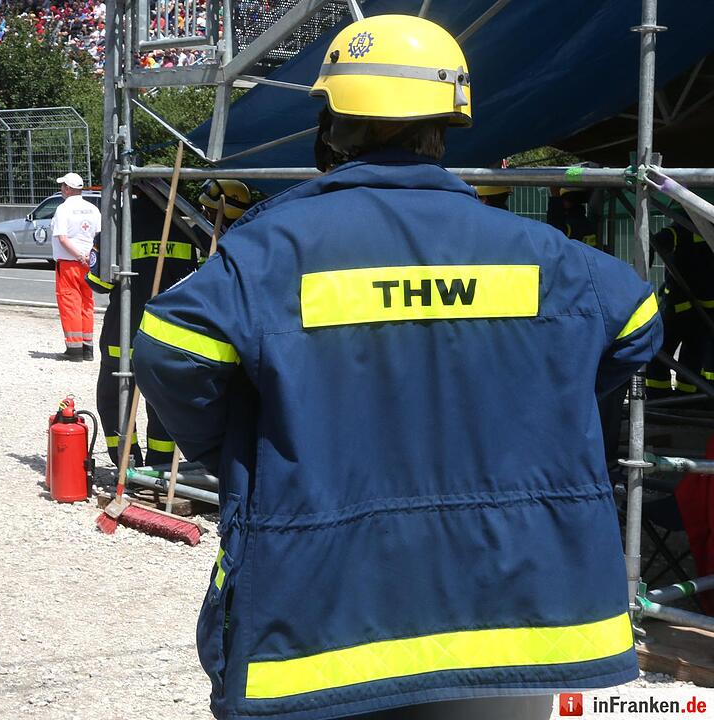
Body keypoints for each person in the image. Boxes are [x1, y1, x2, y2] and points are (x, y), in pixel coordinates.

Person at [132, 15, 661, 720]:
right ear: (445, 126)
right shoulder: (549, 257)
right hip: (517, 633)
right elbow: (636, 324)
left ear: (333, 127)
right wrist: (542, 403)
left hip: (323, 640)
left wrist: (239, 448)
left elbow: (169, 350)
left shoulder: (268, 254)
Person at [86, 192, 203, 466]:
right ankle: (159, 467)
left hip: (124, 333)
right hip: (169, 334)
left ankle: (128, 464)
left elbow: (99, 283)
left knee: (114, 400)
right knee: (164, 404)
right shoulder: (187, 228)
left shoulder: (118, 228)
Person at [646, 212, 714, 396]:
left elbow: (657, 241)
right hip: (704, 311)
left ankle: (658, 394)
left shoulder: (680, 229)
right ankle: (689, 395)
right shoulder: (707, 229)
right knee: (694, 354)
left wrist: (644, 266)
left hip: (678, 307)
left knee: (659, 351)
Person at [51, 171, 101, 361]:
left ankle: (74, 350)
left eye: (63, 185)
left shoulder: (63, 209)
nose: (61, 188)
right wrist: (89, 256)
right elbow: (99, 236)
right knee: (87, 303)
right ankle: (88, 348)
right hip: (89, 263)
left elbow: (63, 238)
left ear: (68, 188)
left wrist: (79, 255)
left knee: (70, 303)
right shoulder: (93, 209)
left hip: (69, 263)